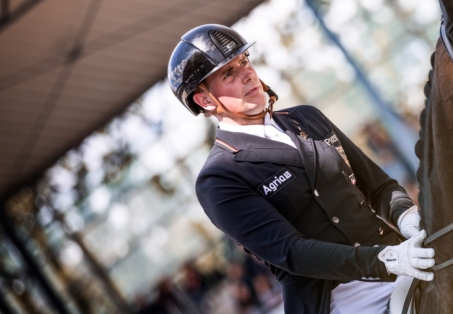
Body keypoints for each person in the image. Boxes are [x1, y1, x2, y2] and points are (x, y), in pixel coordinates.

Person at [167, 24, 434, 314]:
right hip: (342, 300)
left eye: (244, 61)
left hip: (403, 258)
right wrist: (384, 260)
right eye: (229, 73)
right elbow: (293, 253)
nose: (247, 73)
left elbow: (379, 187)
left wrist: (406, 215)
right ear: (205, 100)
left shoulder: (306, 118)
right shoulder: (218, 178)